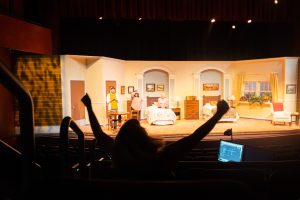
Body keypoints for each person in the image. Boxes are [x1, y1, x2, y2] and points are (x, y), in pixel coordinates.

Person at [81, 93, 229, 176]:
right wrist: (218, 114)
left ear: (121, 137)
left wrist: (89, 107)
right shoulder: (163, 157)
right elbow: (195, 137)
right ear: (143, 134)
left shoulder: (117, 153)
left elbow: (98, 133)